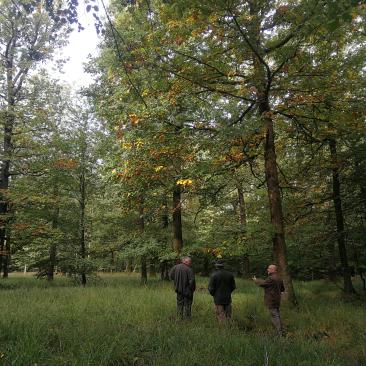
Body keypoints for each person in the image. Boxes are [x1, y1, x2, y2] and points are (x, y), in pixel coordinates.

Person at [253, 264, 285, 336]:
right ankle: (281, 331)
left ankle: (279, 333)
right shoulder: (279, 278)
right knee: (277, 315)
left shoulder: (271, 278)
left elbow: (263, 284)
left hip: (272, 300)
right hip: (277, 300)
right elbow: (282, 289)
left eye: (269, 268)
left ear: (274, 270)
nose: (267, 269)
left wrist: (256, 280)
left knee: (274, 316)